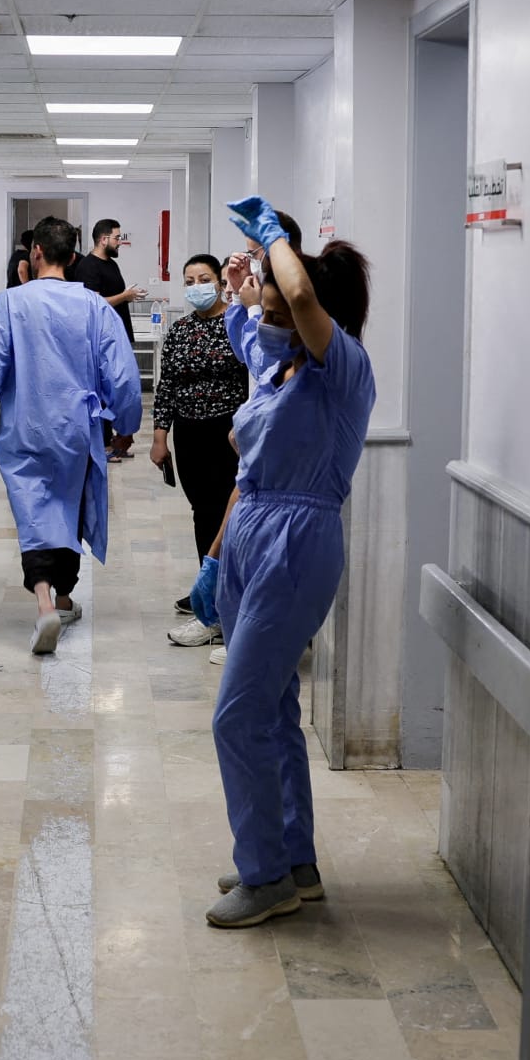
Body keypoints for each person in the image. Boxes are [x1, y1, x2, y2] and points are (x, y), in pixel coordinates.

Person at [195, 201, 375, 930]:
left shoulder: (343, 370)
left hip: (298, 541)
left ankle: (262, 873)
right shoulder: (282, 364)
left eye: (272, 294)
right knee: (272, 710)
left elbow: (298, 296)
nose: (265, 305)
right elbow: (258, 327)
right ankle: (290, 858)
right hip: (254, 529)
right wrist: (246, 281)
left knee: (235, 716)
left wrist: (277, 241)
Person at [0, 215, 143, 656]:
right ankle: (62, 597)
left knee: (33, 511)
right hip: (77, 428)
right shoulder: (95, 307)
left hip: (25, 428)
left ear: (35, 252)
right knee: (69, 507)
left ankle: (43, 603)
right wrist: (127, 427)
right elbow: (124, 376)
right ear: (73, 257)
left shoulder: (8, 304)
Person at [150, 253, 247, 648]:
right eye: (189, 280)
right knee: (202, 512)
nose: (196, 286)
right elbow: (167, 385)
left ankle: (229, 603)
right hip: (189, 433)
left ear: (221, 282)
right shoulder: (181, 330)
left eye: (203, 278)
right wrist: (160, 436)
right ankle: (207, 594)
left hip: (229, 433)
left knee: (230, 516)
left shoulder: (238, 325)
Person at [66, 219, 142, 459]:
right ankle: (104, 444)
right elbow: (94, 304)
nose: (120, 242)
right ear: (103, 239)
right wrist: (125, 295)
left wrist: (126, 297)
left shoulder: (111, 264)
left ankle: (115, 438)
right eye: (117, 238)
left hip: (116, 333)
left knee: (117, 389)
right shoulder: (88, 267)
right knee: (101, 392)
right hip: (99, 339)